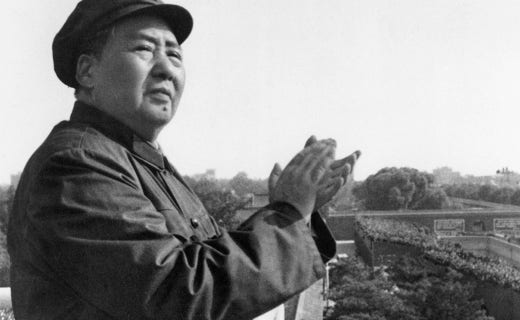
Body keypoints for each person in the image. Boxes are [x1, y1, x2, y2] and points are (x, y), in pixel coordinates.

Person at [8, 1, 360, 319]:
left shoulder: (138, 160)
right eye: (144, 48)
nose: (166, 69)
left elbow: (203, 259)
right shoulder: (76, 165)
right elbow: (178, 291)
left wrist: (297, 210)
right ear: (88, 72)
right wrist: (287, 214)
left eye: (175, 55)